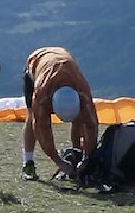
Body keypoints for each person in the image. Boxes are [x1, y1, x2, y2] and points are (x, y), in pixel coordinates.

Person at [20, 47, 98, 181]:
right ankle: (28, 164)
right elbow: (41, 128)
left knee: (81, 119)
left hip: (64, 61)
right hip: (37, 60)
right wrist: (58, 161)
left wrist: (87, 158)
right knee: (32, 116)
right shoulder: (42, 94)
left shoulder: (83, 92)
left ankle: (77, 155)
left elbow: (91, 125)